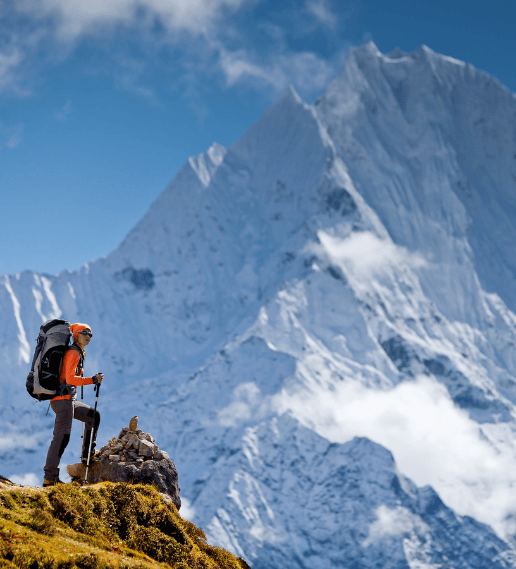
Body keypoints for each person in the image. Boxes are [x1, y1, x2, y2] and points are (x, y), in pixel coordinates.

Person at [43, 323, 104, 487]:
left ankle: (87, 456)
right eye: (85, 333)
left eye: (91, 334)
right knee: (61, 437)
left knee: (93, 416)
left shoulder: (76, 352)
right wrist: (92, 380)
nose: (88, 336)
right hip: (64, 400)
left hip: (65, 399)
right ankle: (50, 477)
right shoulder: (73, 353)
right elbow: (70, 379)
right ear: (76, 334)